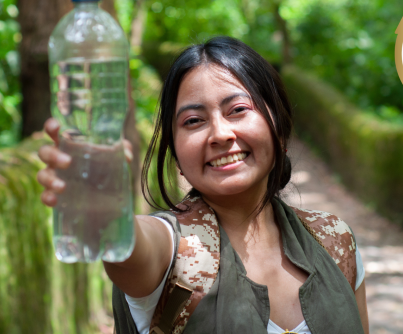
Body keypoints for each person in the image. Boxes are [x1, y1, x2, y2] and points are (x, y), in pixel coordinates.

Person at [37, 36, 369, 334]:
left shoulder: (334, 241)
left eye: (238, 110)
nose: (220, 134)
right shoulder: (174, 251)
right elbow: (132, 246)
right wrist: (109, 214)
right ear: (177, 155)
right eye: (194, 121)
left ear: (279, 129)